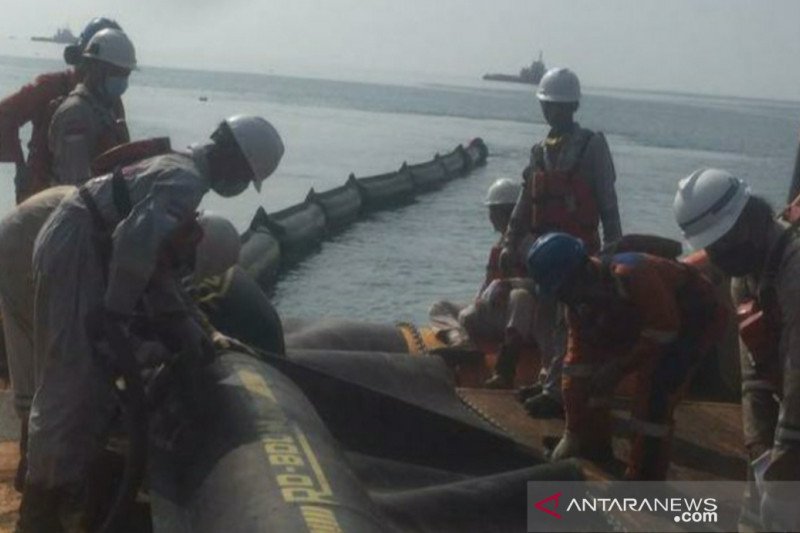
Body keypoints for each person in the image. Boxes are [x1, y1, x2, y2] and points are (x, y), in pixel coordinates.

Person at [16, 115, 284, 532]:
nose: (241, 187)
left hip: (79, 242)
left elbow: (157, 271)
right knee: (69, 379)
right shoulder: (186, 181)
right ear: (234, 158)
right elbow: (133, 246)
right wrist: (116, 317)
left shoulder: (179, 171)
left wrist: (205, 333)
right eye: (247, 177)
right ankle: (40, 511)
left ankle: (62, 488)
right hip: (76, 247)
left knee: (82, 380)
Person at [0, 183, 240, 493]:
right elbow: (110, 315)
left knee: (48, 368)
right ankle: (42, 489)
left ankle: (37, 472)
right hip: (27, 249)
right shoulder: (147, 231)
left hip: (36, 240)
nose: (181, 267)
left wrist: (211, 333)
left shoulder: (164, 224)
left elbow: (173, 294)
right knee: (61, 368)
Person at [527, 232, 725, 480]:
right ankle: (594, 448)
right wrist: (572, 432)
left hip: (692, 319)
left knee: (654, 397)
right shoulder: (578, 304)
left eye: (566, 289)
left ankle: (645, 479)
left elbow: (664, 330)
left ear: (584, 271)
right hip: (643, 319)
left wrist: (618, 368)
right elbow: (576, 366)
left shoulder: (633, 273)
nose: (566, 298)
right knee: (591, 383)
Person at [673, 168, 800, 530]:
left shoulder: (795, 269)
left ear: (748, 221)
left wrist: (788, 449)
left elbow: (797, 370)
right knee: (759, 505)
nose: (720, 259)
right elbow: (755, 373)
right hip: (788, 406)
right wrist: (759, 444)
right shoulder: (745, 276)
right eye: (712, 249)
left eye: (723, 245)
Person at [502, 67, 623, 418]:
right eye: (548, 105)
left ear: (571, 107)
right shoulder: (540, 151)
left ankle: (558, 390)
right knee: (544, 319)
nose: (551, 111)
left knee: (567, 322)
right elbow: (526, 200)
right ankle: (547, 379)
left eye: (556, 105)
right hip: (543, 253)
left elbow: (607, 201)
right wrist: (512, 240)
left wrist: (613, 249)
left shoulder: (592, 146)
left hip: (577, 252)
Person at [0, 18, 125, 203]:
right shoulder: (48, 87)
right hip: (40, 195)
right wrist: (20, 167)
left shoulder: (112, 100)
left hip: (88, 198)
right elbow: (4, 115)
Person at [452, 178, 536, 388]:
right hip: (494, 314)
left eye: (493, 212)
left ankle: (505, 369)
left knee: (520, 296)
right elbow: (486, 285)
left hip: (520, 319)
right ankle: (461, 342)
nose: (490, 218)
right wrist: (476, 304)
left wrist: (512, 284)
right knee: (441, 307)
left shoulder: (531, 246)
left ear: (508, 213)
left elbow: (542, 286)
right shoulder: (498, 248)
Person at [48, 27, 134, 187]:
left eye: (126, 74)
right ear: (96, 68)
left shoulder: (104, 109)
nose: (123, 80)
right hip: (77, 209)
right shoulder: (75, 114)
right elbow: (75, 184)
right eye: (118, 73)